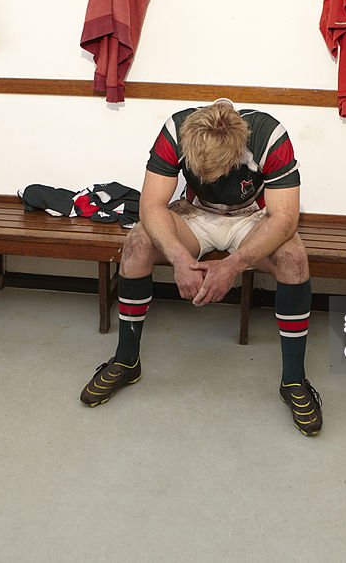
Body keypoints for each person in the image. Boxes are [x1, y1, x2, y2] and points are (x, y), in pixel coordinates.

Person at [79, 98, 322, 436]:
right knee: (136, 243)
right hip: (197, 213)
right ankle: (126, 360)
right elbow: (151, 204)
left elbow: (285, 219)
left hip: (251, 216)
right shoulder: (174, 130)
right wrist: (179, 257)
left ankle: (294, 380)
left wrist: (233, 265)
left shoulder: (269, 136)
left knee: (294, 258)